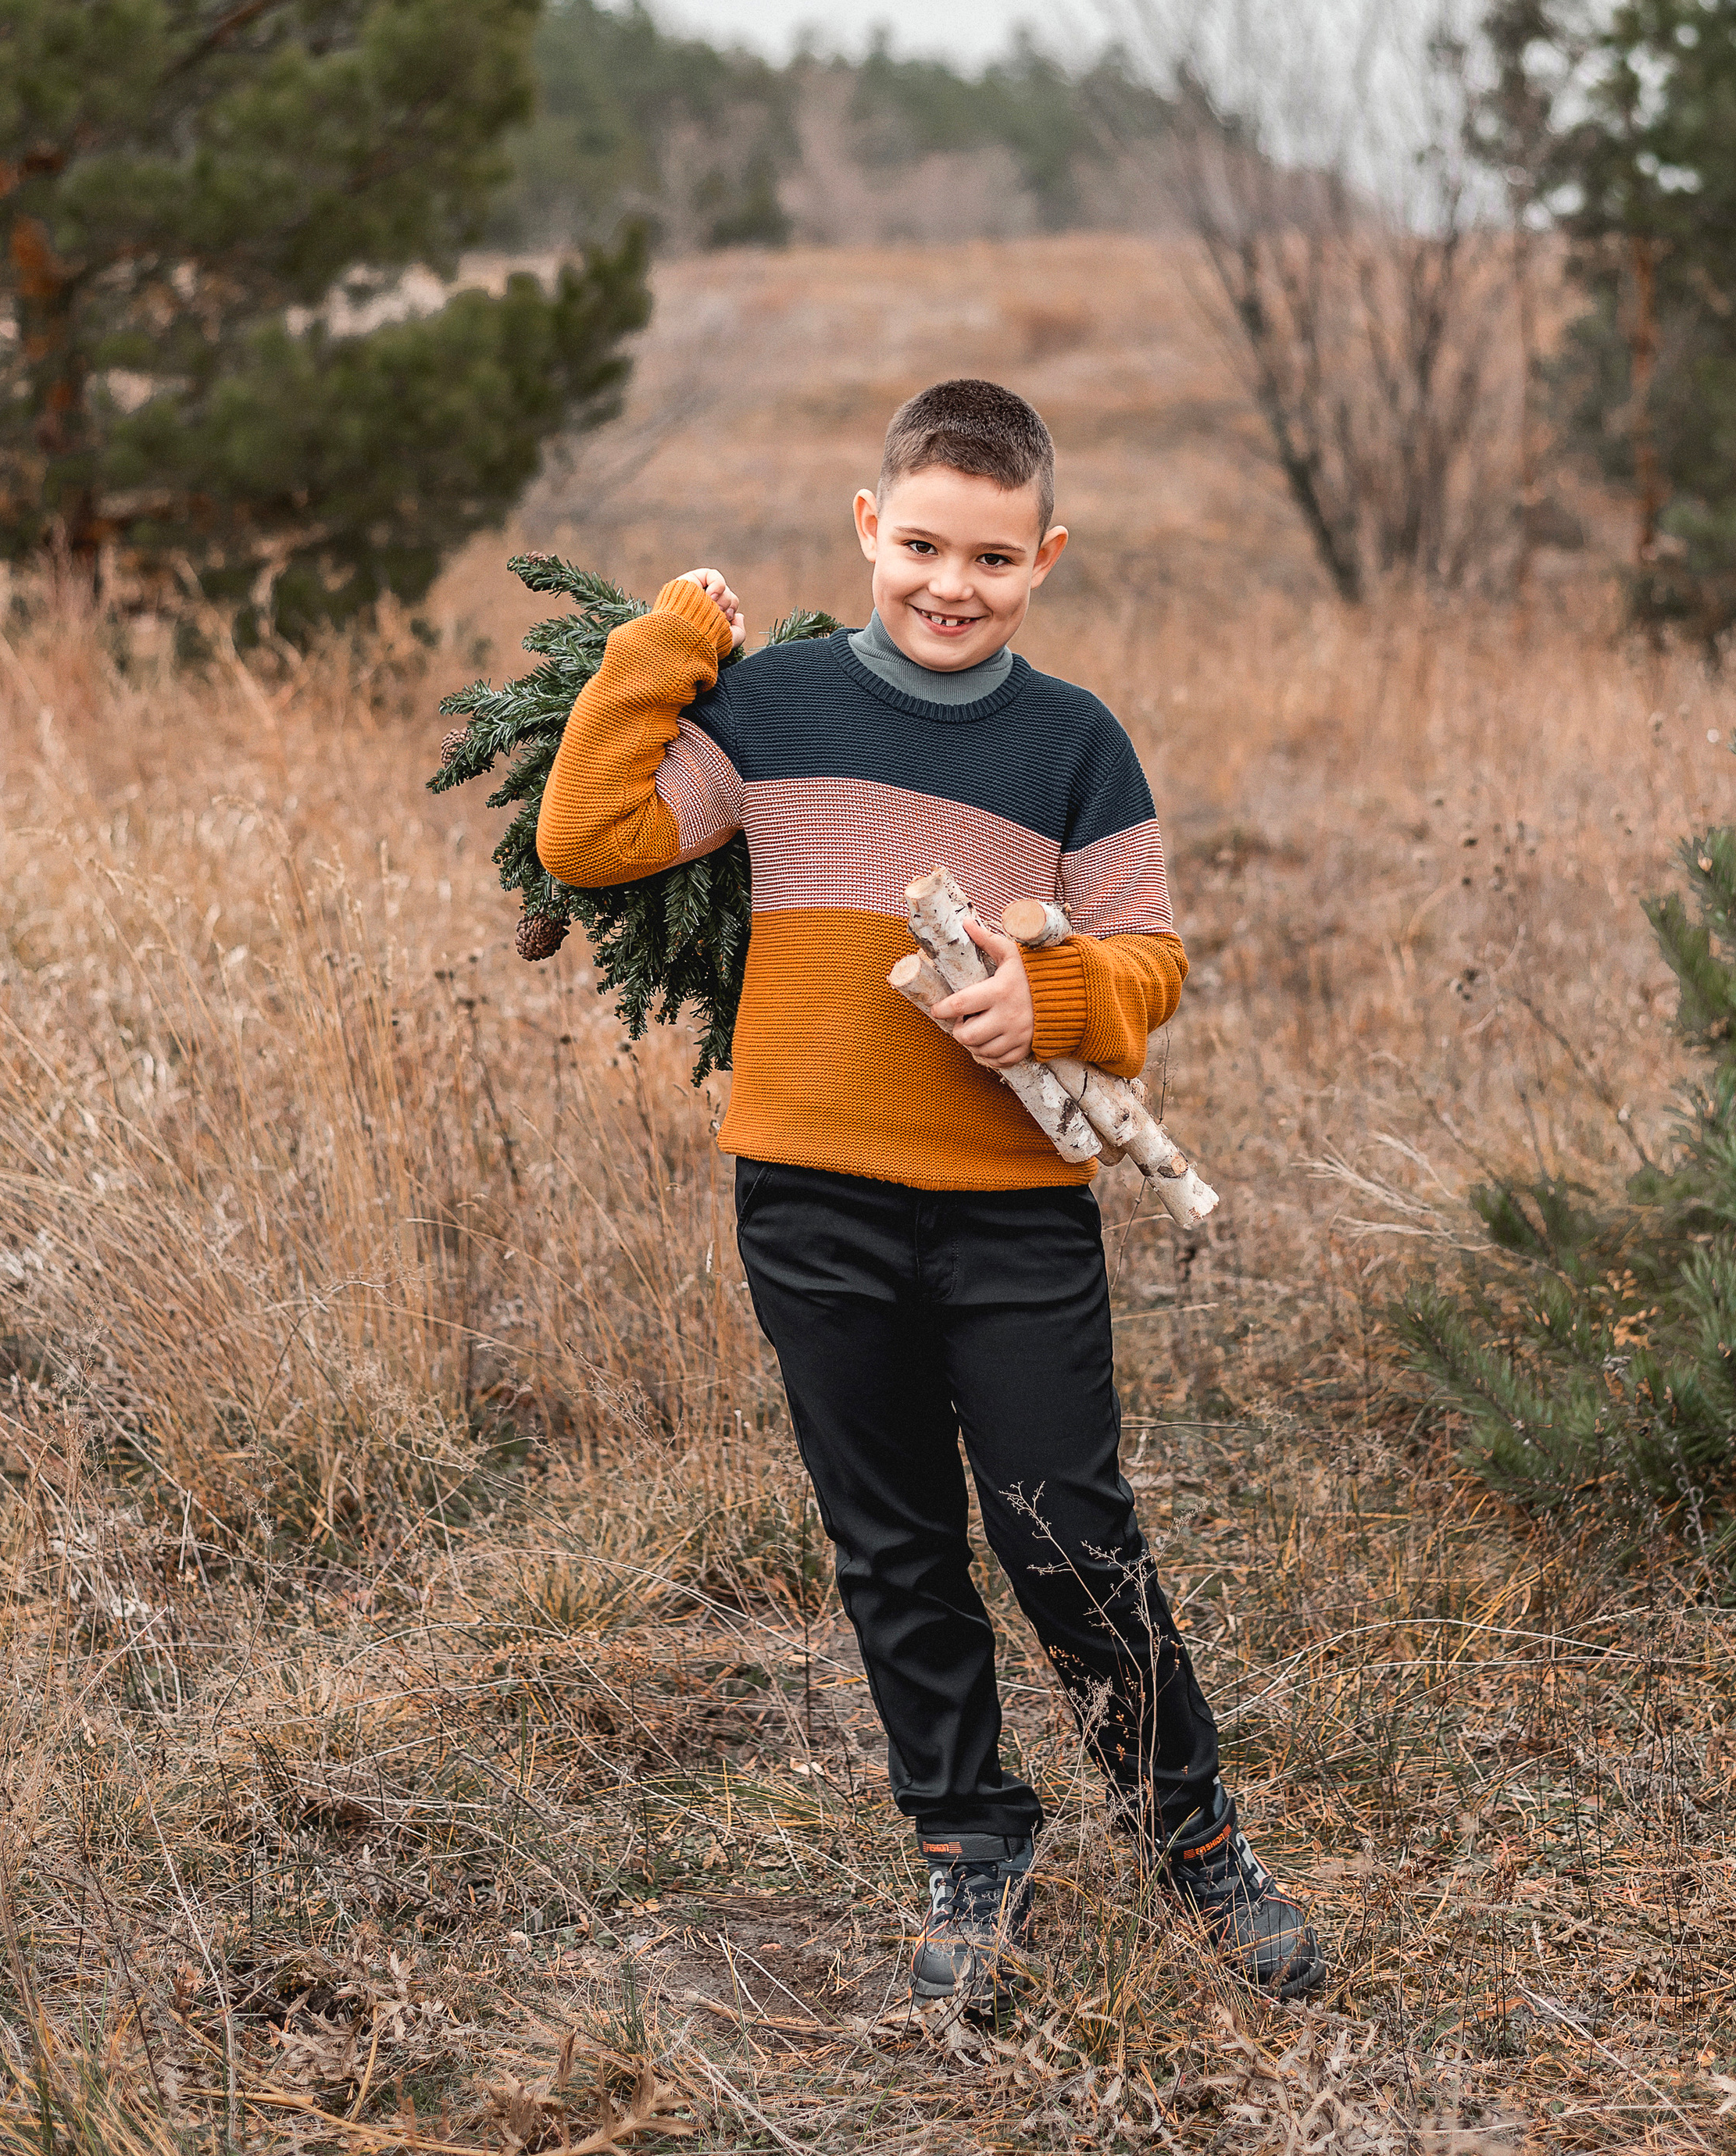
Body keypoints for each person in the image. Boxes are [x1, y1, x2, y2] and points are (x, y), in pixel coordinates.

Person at [538, 378, 1322, 2011]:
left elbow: (1148, 959)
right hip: (809, 1195)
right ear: (864, 531)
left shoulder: (1072, 742)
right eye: (916, 547)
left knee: (1065, 1531)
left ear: (1043, 556)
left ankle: (1192, 1835)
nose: (947, 586)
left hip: (1009, 1207)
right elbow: (591, 836)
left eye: (987, 557)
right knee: (890, 1538)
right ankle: (968, 1839)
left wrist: (1043, 1004)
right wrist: (663, 649)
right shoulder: (777, 710)